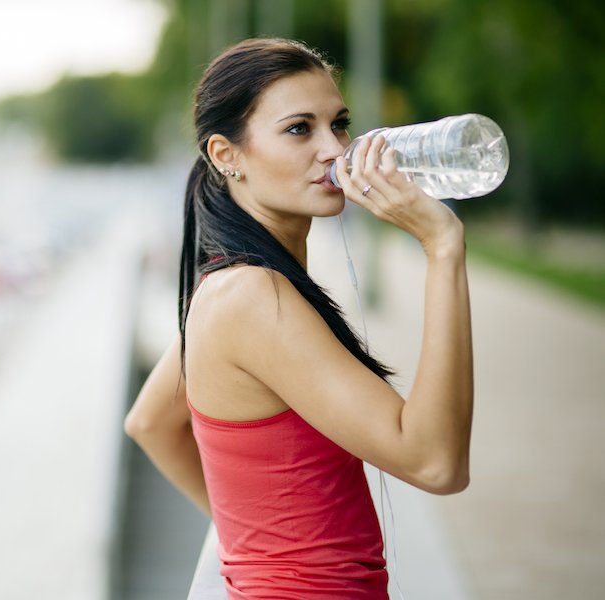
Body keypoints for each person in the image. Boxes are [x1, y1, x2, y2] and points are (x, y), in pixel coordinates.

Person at [123, 37, 474, 599]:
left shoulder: (234, 286)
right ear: (225, 155)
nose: (335, 150)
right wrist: (442, 246)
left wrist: (254, 541)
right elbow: (435, 463)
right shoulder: (253, 299)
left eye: (339, 124)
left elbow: (149, 421)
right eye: (298, 129)